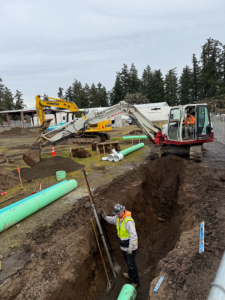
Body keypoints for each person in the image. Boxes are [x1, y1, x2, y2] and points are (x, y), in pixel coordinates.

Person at [101, 204, 140, 288]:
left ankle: (135, 281)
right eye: (116, 214)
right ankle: (130, 275)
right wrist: (105, 217)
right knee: (128, 262)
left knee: (131, 264)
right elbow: (112, 220)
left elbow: (134, 236)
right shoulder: (118, 218)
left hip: (130, 247)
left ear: (123, 211)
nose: (116, 215)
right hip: (124, 247)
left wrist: (130, 248)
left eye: (118, 214)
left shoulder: (128, 221)